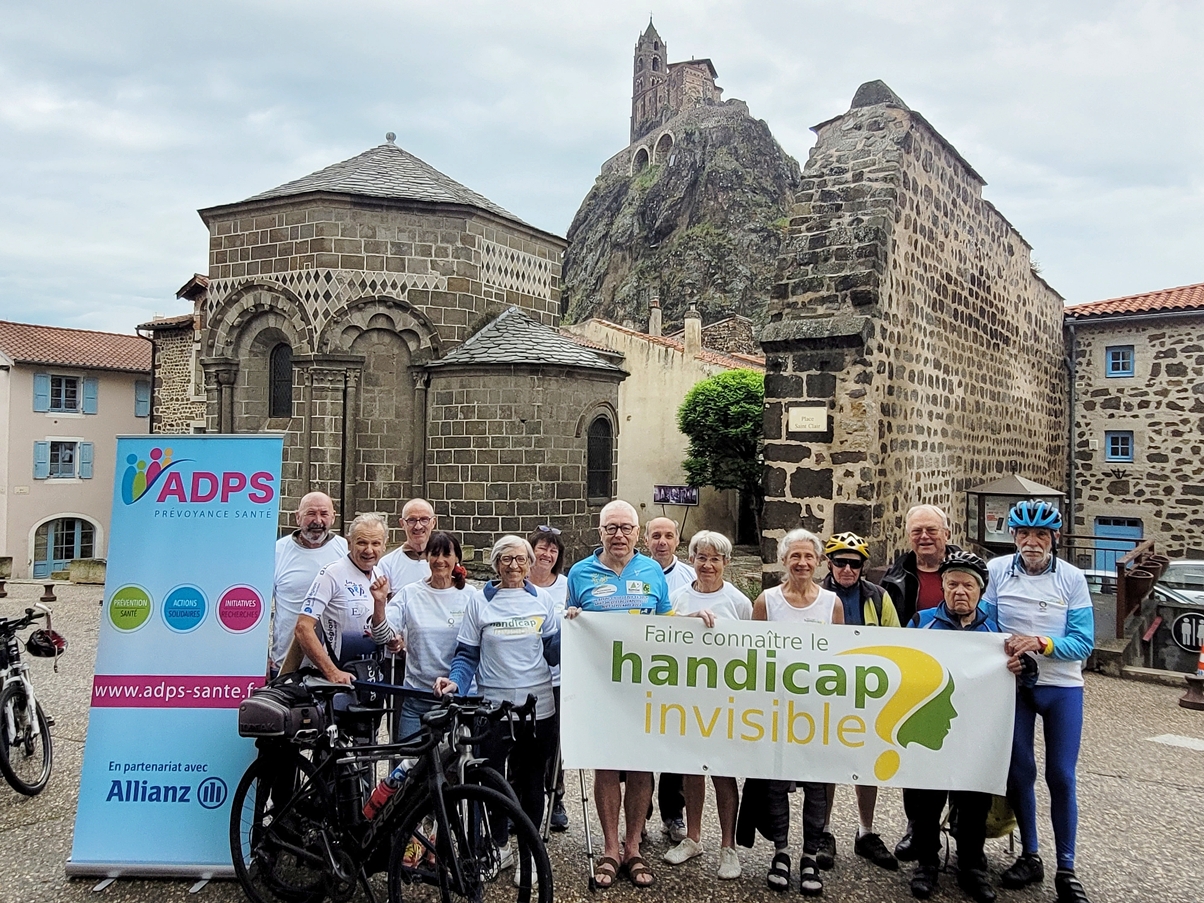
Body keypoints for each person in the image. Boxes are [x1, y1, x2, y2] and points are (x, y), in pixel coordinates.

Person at [983, 500, 1094, 903]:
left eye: (1041, 535)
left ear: (1054, 538)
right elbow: (985, 625)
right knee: (1020, 771)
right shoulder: (997, 571)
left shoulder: (1072, 578)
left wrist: (1041, 643)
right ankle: (1030, 855)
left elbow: (1083, 642)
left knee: (1061, 775)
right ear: (1013, 536)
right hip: (1015, 684)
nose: (1032, 542)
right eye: (1025, 534)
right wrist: (1003, 650)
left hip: (1061, 686)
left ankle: (1067, 867)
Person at [434, 535, 561, 877]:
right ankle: (500, 846)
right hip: (492, 708)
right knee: (492, 782)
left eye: (520, 559)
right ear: (495, 564)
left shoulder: (544, 601)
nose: (513, 566)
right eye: (506, 559)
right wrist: (456, 682)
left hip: (537, 708)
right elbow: (467, 654)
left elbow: (554, 654)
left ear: (529, 564)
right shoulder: (479, 601)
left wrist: (573, 628)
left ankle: (529, 856)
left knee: (532, 784)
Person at [565, 500, 671, 890]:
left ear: (638, 533)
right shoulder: (579, 573)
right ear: (600, 532)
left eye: (626, 528)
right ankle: (611, 847)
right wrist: (571, 621)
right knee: (607, 768)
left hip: (644, 688)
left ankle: (633, 846)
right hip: (600, 690)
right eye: (611, 528)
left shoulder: (652, 571)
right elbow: (568, 632)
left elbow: (667, 626)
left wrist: (695, 624)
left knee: (641, 768)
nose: (619, 535)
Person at [752, 528, 844, 897]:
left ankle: (809, 856)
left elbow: (840, 658)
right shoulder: (767, 601)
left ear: (819, 561)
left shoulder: (832, 604)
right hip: (778, 708)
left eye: (808, 556)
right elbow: (753, 655)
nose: (802, 563)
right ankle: (781, 852)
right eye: (795, 556)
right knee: (776, 784)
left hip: (817, 710)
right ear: (783, 560)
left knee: (816, 787)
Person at [904, 551, 999, 903]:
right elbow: (901, 666)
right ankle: (927, 863)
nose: (960, 592)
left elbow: (1015, 677)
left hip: (976, 728)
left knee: (975, 799)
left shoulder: (995, 629)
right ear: (942, 588)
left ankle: (971, 865)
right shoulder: (922, 621)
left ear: (980, 591)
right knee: (926, 798)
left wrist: (1025, 671)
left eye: (968, 585)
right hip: (933, 724)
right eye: (953, 584)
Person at [662, 530, 751, 880]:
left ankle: (728, 847)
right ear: (692, 560)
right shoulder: (677, 597)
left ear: (726, 562)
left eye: (715, 558)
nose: (708, 565)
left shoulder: (739, 602)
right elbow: (662, 637)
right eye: (702, 557)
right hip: (687, 700)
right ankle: (694, 837)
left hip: (725, 701)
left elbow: (753, 649)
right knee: (691, 770)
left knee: (724, 774)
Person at [880, 504, 959, 860]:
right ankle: (918, 828)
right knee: (914, 752)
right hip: (916, 681)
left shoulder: (969, 570)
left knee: (962, 753)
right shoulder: (895, 576)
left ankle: (961, 827)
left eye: (931, 530)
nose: (924, 537)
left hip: (963, 677)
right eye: (917, 531)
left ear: (946, 533)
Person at [818, 531, 900, 872]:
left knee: (867, 761)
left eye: (854, 564)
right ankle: (823, 831)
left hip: (867, 691)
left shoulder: (878, 598)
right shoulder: (817, 596)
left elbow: (895, 642)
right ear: (829, 564)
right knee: (826, 763)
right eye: (840, 563)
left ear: (863, 566)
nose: (847, 570)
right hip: (826, 690)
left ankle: (866, 831)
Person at [369, 530, 471, 740]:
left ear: (457, 559)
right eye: (434, 554)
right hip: (419, 698)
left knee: (457, 760)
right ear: (426, 557)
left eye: (446, 554)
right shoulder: (410, 593)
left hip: (459, 699)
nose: (440, 560)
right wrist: (379, 603)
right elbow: (381, 635)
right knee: (410, 758)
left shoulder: (471, 596)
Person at [644, 516, 695, 843]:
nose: (662, 542)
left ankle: (673, 813)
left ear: (677, 540)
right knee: (642, 746)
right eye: (656, 536)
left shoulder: (690, 576)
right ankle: (640, 814)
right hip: (643, 671)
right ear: (646, 540)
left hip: (679, 673)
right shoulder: (636, 572)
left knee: (676, 745)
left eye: (668, 535)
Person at [293, 512, 388, 684]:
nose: (369, 550)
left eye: (375, 543)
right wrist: (332, 672)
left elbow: (375, 629)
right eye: (362, 542)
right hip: (339, 682)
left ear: (384, 545)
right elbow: (303, 627)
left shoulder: (378, 574)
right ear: (349, 542)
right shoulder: (332, 573)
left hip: (370, 676)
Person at [270, 492, 347, 675]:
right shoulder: (277, 551)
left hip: (335, 665)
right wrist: (261, 657)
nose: (317, 521)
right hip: (286, 665)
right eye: (311, 513)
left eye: (324, 514)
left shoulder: (345, 549)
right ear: (298, 517)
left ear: (333, 517)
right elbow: (262, 609)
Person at [527, 524, 571, 832]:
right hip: (522, 677)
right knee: (522, 743)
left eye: (553, 550)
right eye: (542, 547)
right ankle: (518, 801)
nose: (547, 554)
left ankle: (556, 799)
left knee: (554, 744)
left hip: (555, 679)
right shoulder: (515, 584)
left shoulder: (567, 586)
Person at [378, 498, 437, 593]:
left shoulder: (445, 562)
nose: (418, 526)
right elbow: (382, 599)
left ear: (433, 522)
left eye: (424, 519)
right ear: (402, 523)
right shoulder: (387, 564)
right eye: (411, 520)